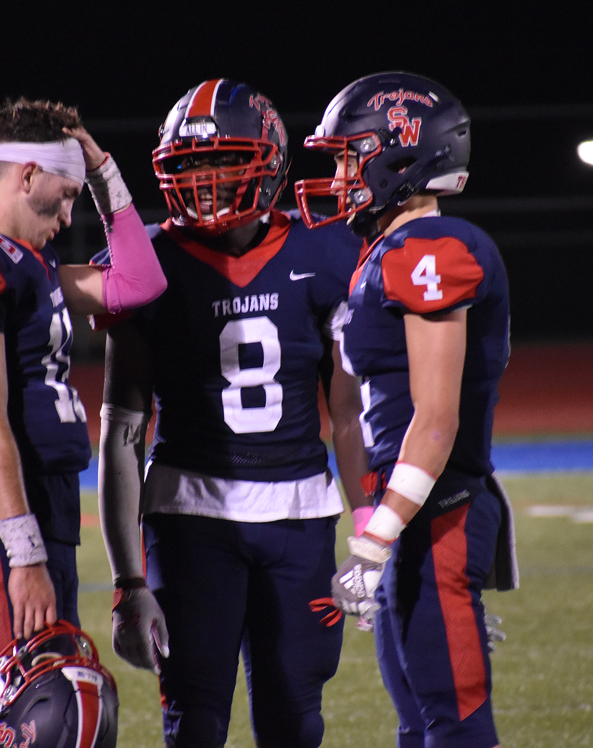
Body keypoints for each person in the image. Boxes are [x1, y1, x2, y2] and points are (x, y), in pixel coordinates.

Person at [95, 79, 371, 748]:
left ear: (269, 162)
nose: (206, 180)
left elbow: (348, 409)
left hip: (299, 516)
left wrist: (369, 528)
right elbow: (121, 431)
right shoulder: (149, 262)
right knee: (195, 721)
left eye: (224, 161)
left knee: (295, 720)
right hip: (189, 519)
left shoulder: (324, 249)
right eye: (191, 165)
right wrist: (127, 581)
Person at [0, 97, 167, 725]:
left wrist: (103, 173)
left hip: (45, 506)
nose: (71, 214)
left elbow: (140, 284)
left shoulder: (26, 262)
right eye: (67, 194)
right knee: (25, 721)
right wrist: (24, 554)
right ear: (27, 175)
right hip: (1, 519)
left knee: (64, 715)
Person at [295, 71, 519, 748]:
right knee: (418, 723)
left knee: (453, 723)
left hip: (441, 511)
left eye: (348, 157)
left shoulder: (430, 251)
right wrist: (379, 522)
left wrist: (374, 540)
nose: (338, 177)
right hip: (415, 514)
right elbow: (355, 408)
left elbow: (436, 418)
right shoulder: (383, 252)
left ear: (400, 157)